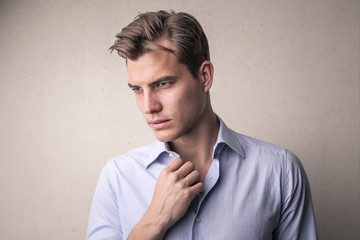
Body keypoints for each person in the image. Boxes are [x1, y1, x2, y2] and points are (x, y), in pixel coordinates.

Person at [87, 10, 318, 240]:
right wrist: (154, 221)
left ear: (205, 77)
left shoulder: (280, 171)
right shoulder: (118, 177)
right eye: (137, 89)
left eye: (163, 84)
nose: (148, 107)